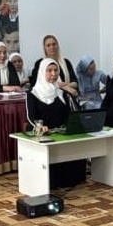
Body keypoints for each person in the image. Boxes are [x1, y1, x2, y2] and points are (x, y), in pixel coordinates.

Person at [25, 58, 87, 189]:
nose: (53, 74)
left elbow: (70, 114)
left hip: (61, 133)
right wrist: (39, 126)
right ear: (42, 72)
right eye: (49, 71)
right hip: (43, 134)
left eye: (55, 70)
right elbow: (30, 117)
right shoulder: (33, 93)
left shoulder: (62, 93)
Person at [29, 35, 79, 102]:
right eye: (48, 45)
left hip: (67, 98)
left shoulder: (66, 62)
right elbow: (36, 85)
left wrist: (65, 85)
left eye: (54, 44)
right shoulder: (40, 64)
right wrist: (65, 87)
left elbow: (75, 83)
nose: (52, 47)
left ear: (57, 46)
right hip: (47, 99)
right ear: (44, 48)